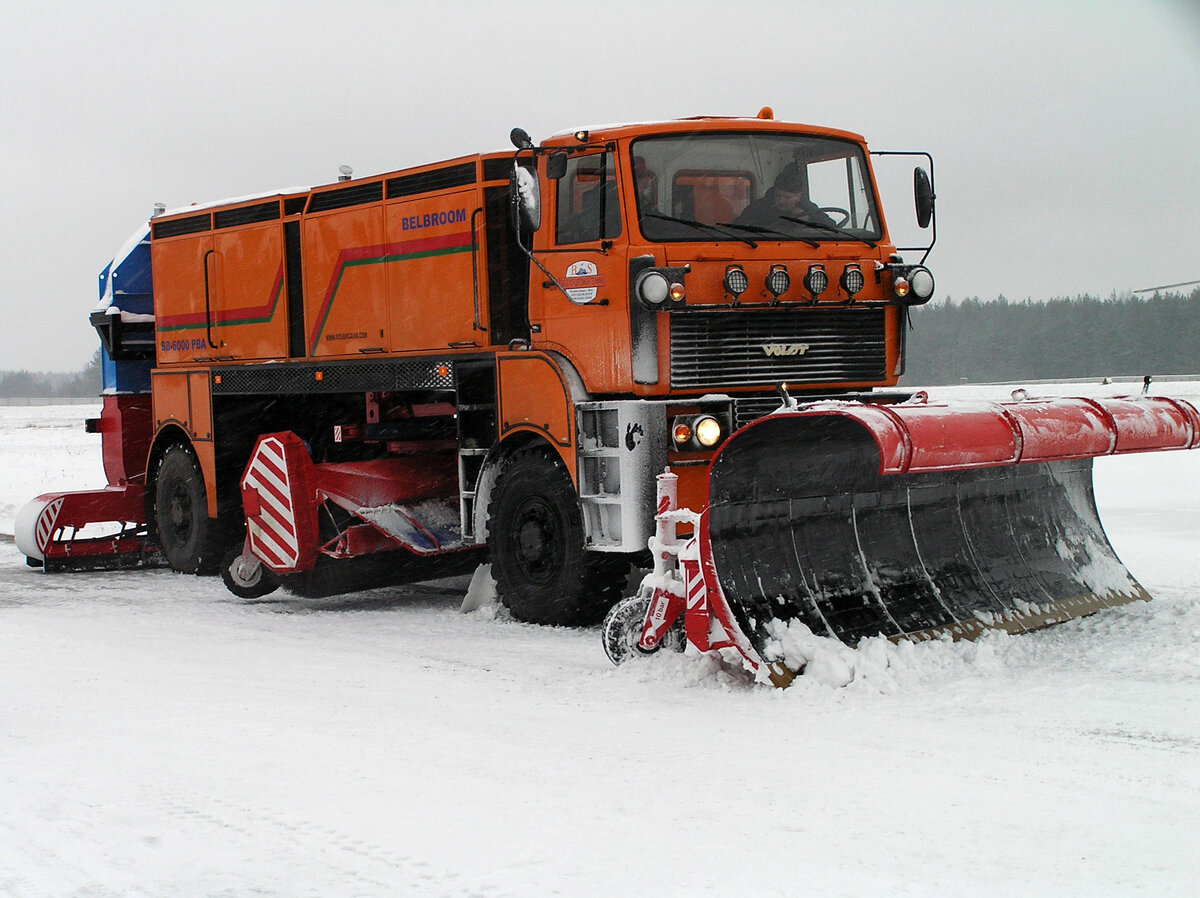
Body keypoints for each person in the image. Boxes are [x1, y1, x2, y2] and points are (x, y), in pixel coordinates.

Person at [734, 162, 836, 230]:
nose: (781, 200)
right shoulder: (758, 207)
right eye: (778, 195)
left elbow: (832, 227)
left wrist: (808, 219)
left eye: (787, 197)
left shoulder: (809, 208)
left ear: (799, 196)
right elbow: (736, 228)